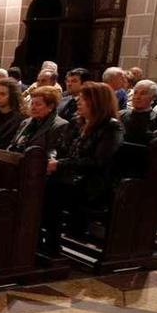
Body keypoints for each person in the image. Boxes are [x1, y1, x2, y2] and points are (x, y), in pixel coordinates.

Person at [42, 82, 123, 253]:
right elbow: (61, 147)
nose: (78, 101)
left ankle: (52, 244)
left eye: (84, 98)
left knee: (51, 189)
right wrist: (53, 157)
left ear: (97, 102)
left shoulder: (111, 126)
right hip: (70, 176)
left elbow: (97, 161)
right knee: (38, 183)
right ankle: (37, 238)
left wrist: (59, 165)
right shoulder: (77, 122)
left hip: (94, 184)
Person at [7, 87, 73, 157]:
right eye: (32, 103)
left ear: (50, 107)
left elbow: (52, 155)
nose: (33, 108)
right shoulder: (25, 122)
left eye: (38, 104)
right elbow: (12, 145)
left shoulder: (61, 126)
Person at [119, 79, 157, 145]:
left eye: (143, 93)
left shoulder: (156, 119)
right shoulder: (120, 115)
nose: (137, 97)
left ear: (153, 98)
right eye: (135, 93)